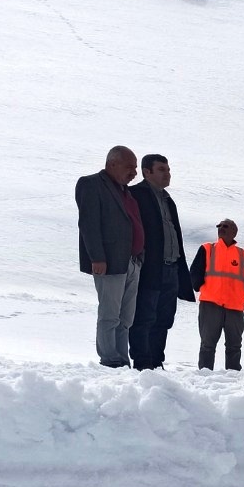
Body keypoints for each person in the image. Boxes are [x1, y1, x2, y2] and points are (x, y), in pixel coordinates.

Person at [75, 145, 144, 367]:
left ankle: (122, 360)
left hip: (131, 262)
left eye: (135, 168)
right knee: (110, 314)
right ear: (112, 164)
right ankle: (110, 358)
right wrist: (97, 257)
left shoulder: (126, 192)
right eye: (129, 167)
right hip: (109, 263)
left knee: (126, 318)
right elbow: (89, 224)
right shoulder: (91, 184)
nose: (134, 173)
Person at [128, 154, 193, 369]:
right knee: (144, 317)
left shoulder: (167, 199)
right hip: (149, 269)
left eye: (168, 169)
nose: (168, 173)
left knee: (164, 319)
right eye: (162, 169)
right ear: (147, 172)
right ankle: (143, 363)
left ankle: (157, 362)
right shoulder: (136, 195)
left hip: (171, 268)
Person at [190, 219, 244, 370]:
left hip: (235, 307)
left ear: (234, 231)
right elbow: (195, 273)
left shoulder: (242, 254)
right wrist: (199, 286)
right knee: (208, 345)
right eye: (219, 226)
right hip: (211, 304)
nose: (221, 229)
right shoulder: (207, 249)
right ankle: (205, 376)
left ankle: (233, 378)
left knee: (234, 346)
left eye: (225, 226)